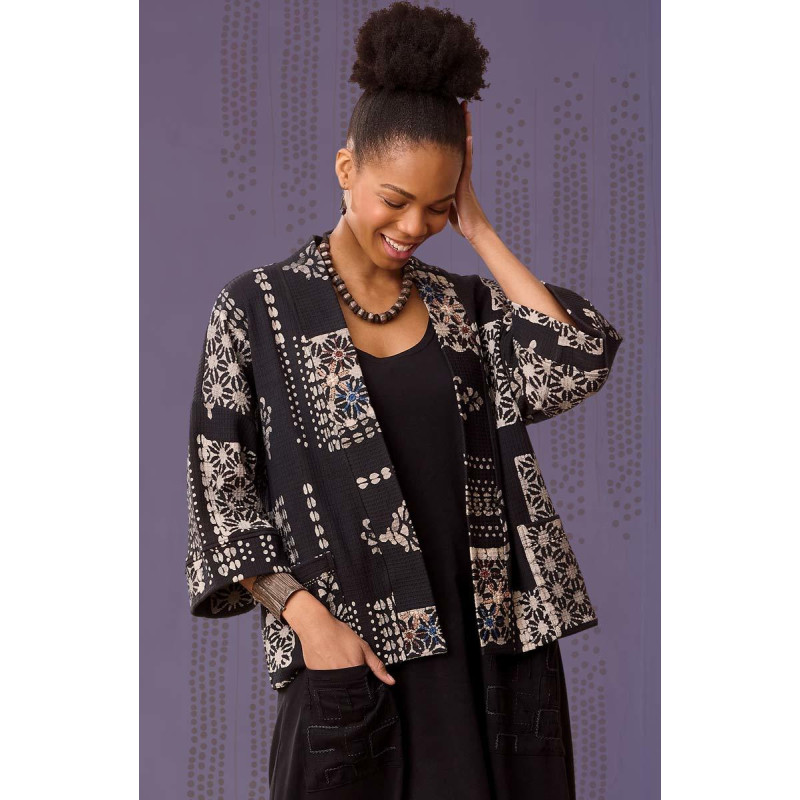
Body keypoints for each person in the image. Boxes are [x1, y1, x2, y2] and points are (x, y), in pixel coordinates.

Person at [184, 3, 623, 799]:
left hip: (491, 661)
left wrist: (479, 229)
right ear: (345, 167)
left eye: (438, 206)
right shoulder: (257, 310)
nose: (415, 225)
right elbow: (224, 500)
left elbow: (576, 358)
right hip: (356, 661)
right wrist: (310, 623)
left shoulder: (466, 310)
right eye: (395, 198)